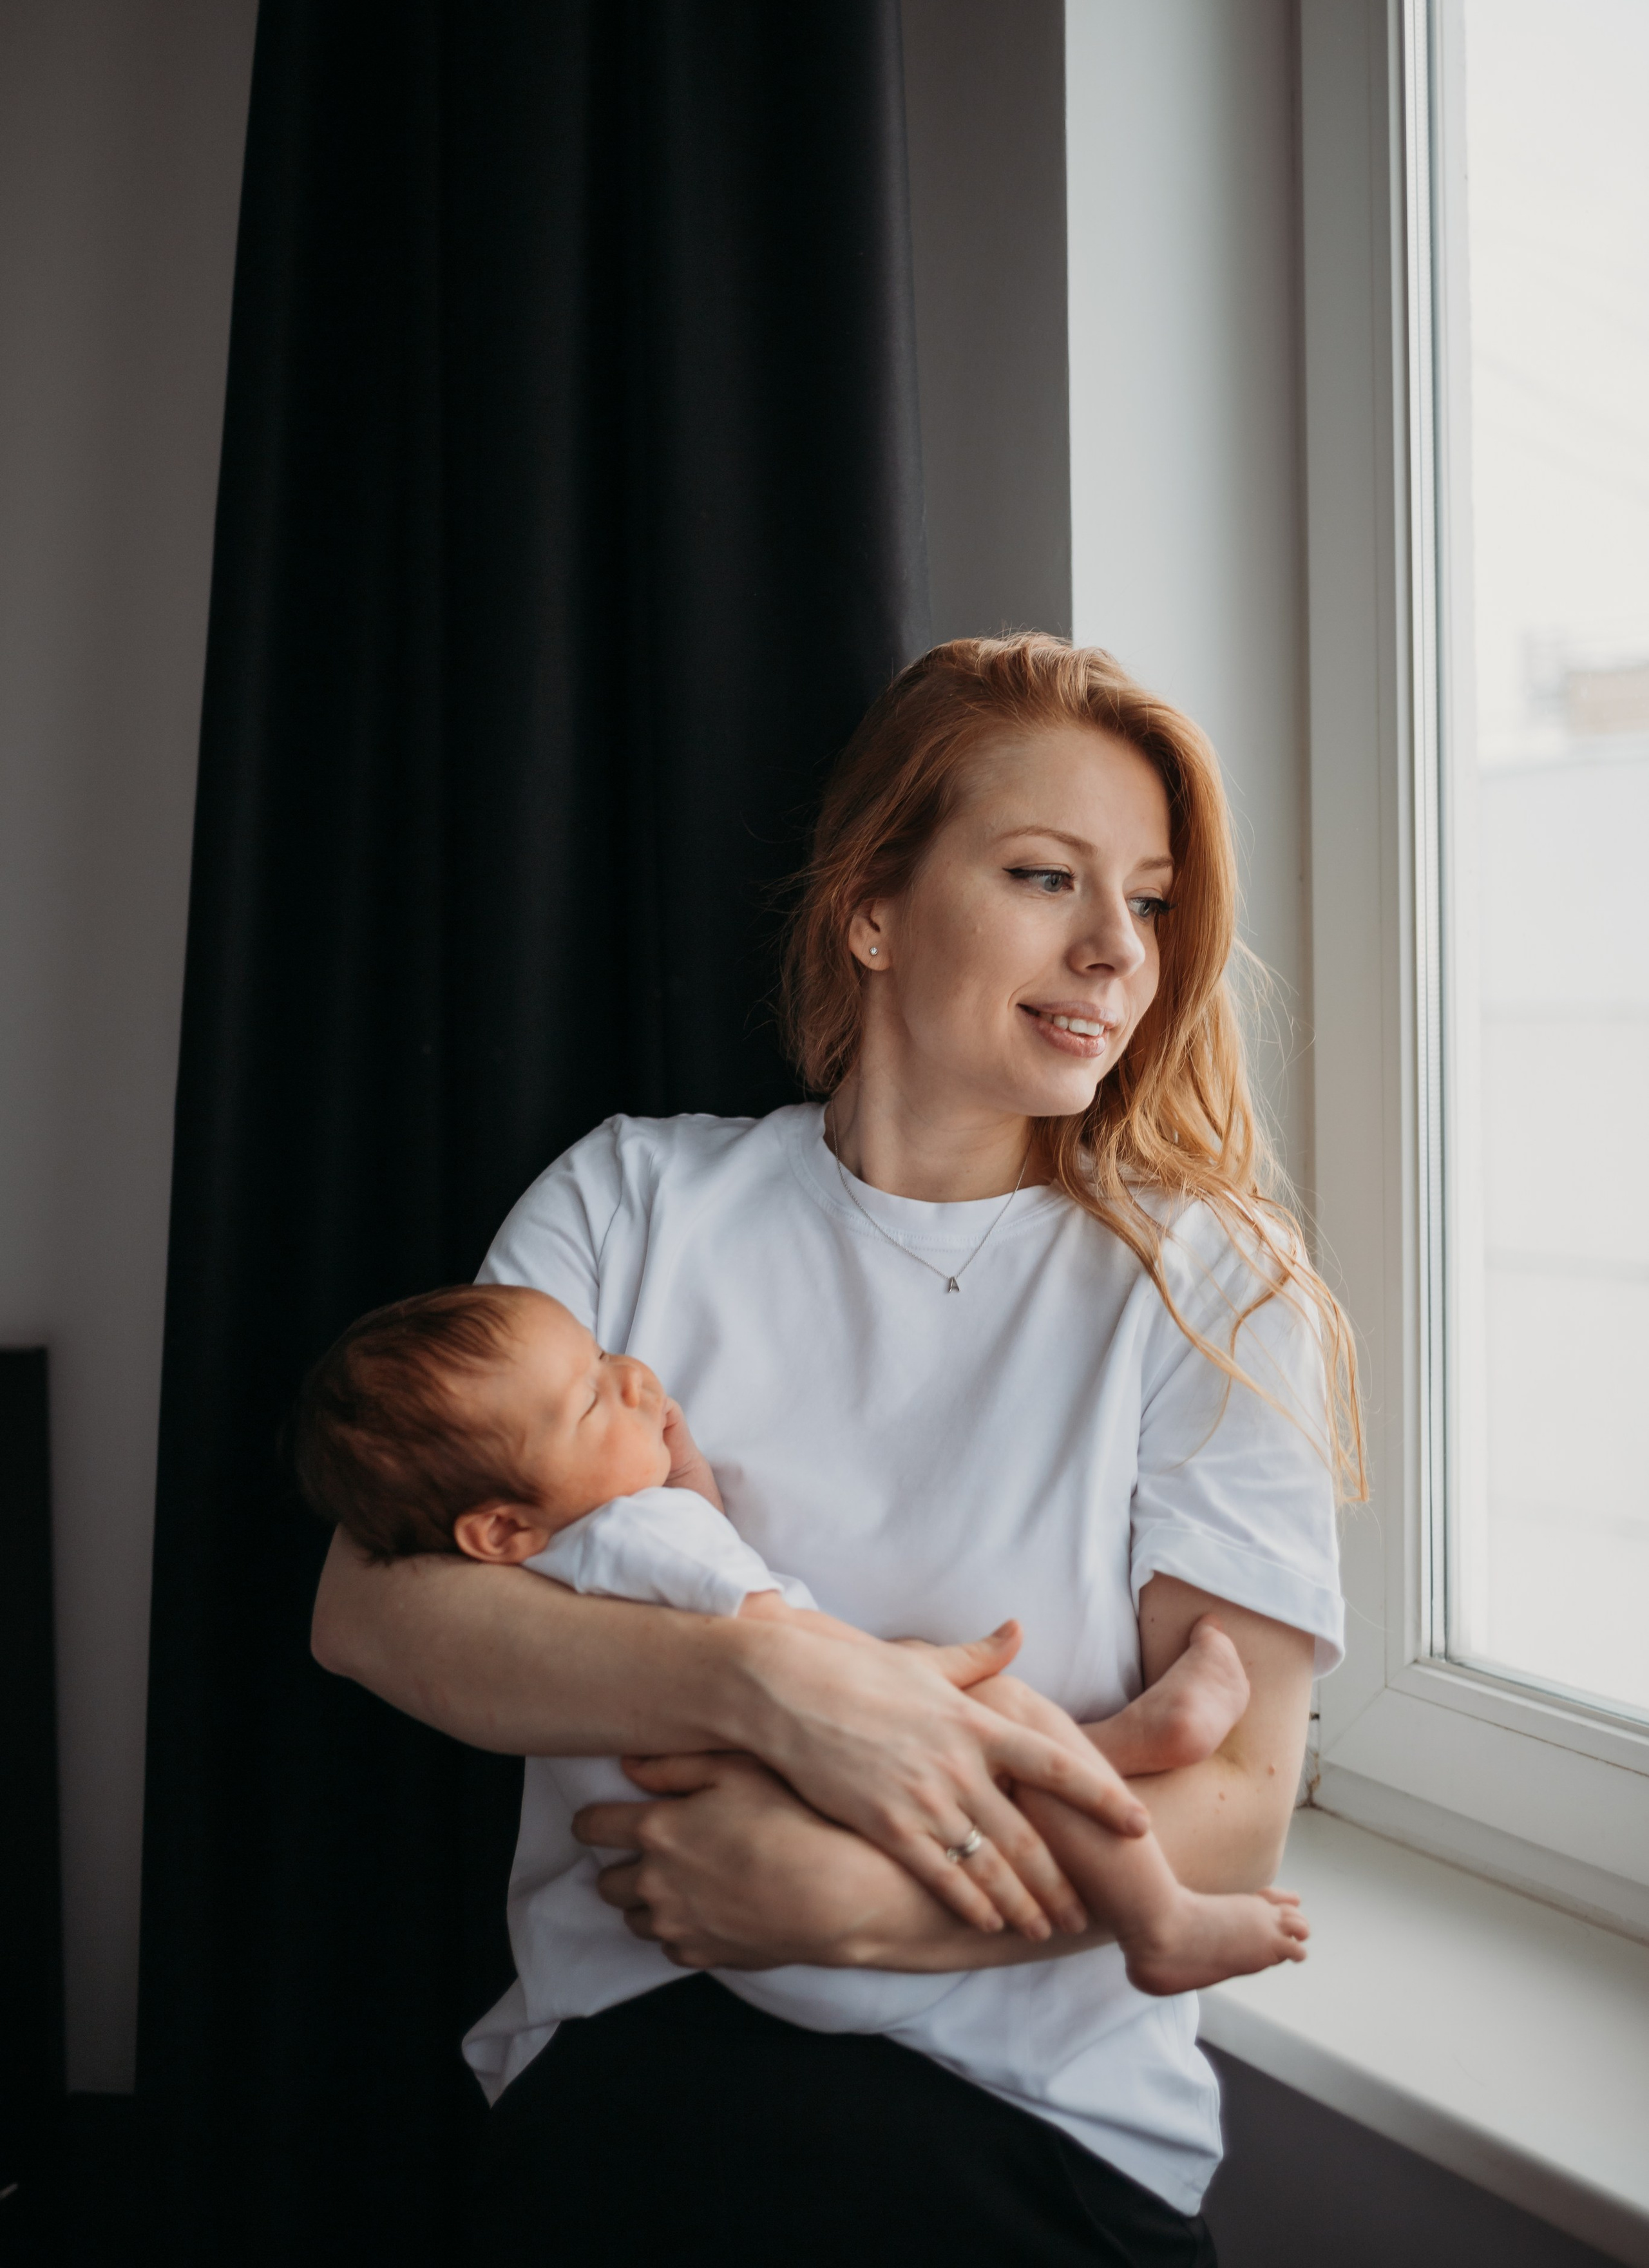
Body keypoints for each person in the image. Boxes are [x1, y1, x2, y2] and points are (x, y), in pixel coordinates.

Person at [310, 635, 1360, 2266]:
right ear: (871, 905)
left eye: (1148, 902)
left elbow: (1234, 1808)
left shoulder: (1215, 1287)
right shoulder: (631, 1200)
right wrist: (774, 1687)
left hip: (1035, 2117)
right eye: (1042, 875)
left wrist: (854, 1909)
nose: (1111, 951)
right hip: (633, 2075)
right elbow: (378, 1610)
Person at [289, 1282, 1308, 2052]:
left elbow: (705, 1556)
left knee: (963, 1727)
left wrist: (670, 1465)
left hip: (786, 1945)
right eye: (592, 1402)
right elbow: (782, 1650)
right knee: (993, 1711)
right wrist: (925, 1681)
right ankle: (1158, 1911)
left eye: (605, 1354)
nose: (635, 1376)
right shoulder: (633, 1536)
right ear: (501, 1526)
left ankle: (1121, 1747)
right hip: (827, 1901)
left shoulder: (576, 1556)